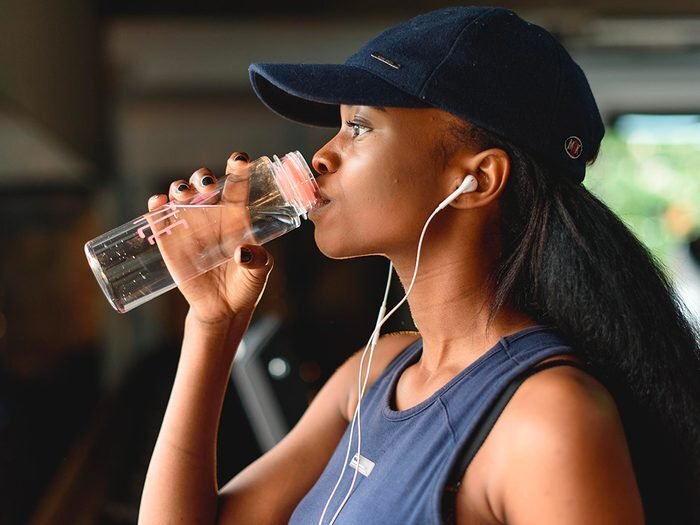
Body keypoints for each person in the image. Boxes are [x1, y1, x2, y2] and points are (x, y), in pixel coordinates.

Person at [138, 7, 700, 524]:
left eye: (358, 126)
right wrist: (212, 324)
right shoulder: (375, 374)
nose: (320, 156)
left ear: (475, 180)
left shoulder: (547, 420)